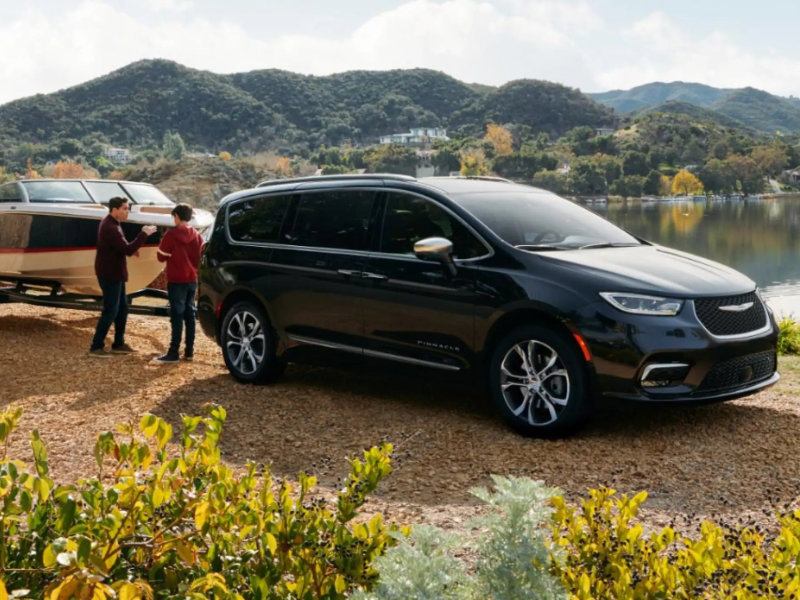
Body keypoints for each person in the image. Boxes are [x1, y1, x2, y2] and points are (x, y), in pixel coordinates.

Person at [89, 197, 157, 357]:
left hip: (115, 272)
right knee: (111, 310)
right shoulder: (110, 226)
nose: (127, 211)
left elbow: (121, 246)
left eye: (127, 208)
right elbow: (125, 249)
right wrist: (143, 234)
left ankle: (118, 344)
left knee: (122, 308)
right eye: (125, 208)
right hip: (109, 273)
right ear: (114, 209)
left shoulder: (113, 223)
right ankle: (96, 346)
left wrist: (132, 249)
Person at [153, 203, 204, 364]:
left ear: (176, 216)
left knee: (177, 316)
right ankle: (189, 351)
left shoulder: (171, 235)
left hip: (176, 280)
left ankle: (173, 352)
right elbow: (201, 256)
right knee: (190, 314)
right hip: (192, 279)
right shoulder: (197, 235)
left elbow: (161, 257)